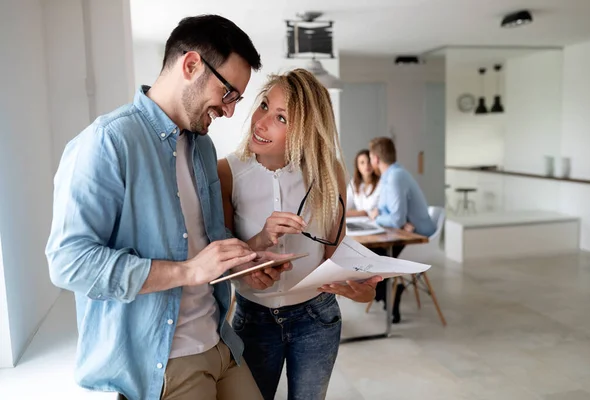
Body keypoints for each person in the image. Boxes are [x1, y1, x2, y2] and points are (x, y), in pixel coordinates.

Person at [45, 15, 288, 400]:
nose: (230, 112)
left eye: (237, 99)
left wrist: (246, 259)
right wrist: (189, 272)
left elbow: (206, 241)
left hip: (220, 344)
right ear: (191, 65)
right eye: (228, 94)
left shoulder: (202, 148)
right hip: (162, 361)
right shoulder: (107, 143)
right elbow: (68, 262)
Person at [217, 69, 382, 400]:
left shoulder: (330, 173)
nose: (261, 122)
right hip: (253, 320)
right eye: (264, 105)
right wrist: (261, 239)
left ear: (306, 130)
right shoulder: (227, 173)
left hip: (316, 317)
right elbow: (221, 260)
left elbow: (336, 257)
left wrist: (363, 291)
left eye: (281, 117)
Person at [368, 137, 435, 323]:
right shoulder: (389, 176)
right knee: (370, 255)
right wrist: (386, 218)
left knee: (372, 255)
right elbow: (385, 211)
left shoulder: (396, 176)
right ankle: (387, 293)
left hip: (417, 238)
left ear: (375, 158)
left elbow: (395, 219)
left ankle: (388, 293)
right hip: (404, 234)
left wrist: (378, 218)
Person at [346, 149, 381, 217]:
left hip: (376, 222)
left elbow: (377, 211)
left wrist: (362, 213)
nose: (366, 165)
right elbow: (345, 205)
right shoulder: (354, 183)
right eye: (362, 162)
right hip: (360, 222)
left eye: (369, 162)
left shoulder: (381, 182)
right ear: (357, 166)